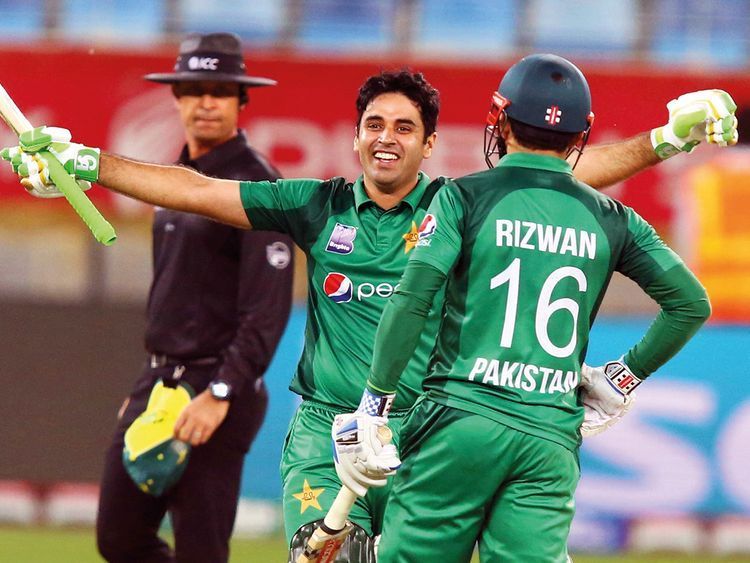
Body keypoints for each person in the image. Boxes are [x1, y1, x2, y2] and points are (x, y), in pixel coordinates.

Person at [0, 67, 737, 562]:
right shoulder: (315, 204)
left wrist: (666, 141)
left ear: (426, 144)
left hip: (423, 435)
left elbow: (568, 175)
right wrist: (84, 160)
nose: (385, 136)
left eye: (403, 127)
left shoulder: (460, 205)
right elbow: (193, 189)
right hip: (329, 433)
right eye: (374, 123)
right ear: (355, 136)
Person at [335, 54, 714, 562]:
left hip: (459, 423)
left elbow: (412, 299)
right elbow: (690, 304)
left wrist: (374, 404)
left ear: (499, 119)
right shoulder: (613, 218)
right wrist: (621, 379)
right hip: (548, 438)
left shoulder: (461, 198)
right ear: (583, 134)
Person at [93, 32, 294, 563]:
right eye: (194, 89)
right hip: (158, 384)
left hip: (215, 389)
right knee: (117, 539)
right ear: (176, 98)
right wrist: (149, 382)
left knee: (201, 551)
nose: (207, 102)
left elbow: (267, 311)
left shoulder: (257, 187)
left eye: (221, 90)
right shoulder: (172, 182)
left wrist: (220, 394)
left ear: (240, 100)